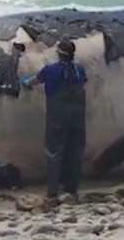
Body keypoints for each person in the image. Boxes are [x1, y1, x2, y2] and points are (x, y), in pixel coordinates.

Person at [20, 39, 89, 203]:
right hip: (78, 117)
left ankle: (52, 192)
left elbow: (32, 81)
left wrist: (24, 81)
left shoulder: (51, 70)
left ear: (58, 53)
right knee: (75, 151)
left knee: (54, 152)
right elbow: (83, 82)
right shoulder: (79, 70)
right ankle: (71, 189)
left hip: (58, 117)